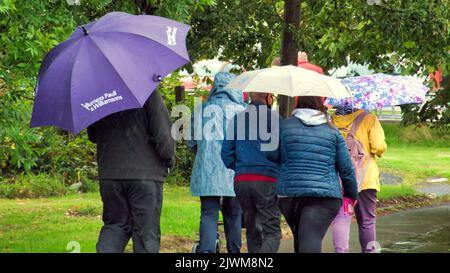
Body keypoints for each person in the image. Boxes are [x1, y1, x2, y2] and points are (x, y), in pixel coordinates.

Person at [87, 91, 175, 253]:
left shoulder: (99, 95)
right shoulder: (147, 93)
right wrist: (168, 160)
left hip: (110, 174)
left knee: (115, 226)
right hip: (145, 174)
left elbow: (93, 135)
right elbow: (164, 135)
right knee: (145, 233)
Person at [277, 96, 358, 253]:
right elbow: (346, 169)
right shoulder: (333, 132)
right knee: (309, 237)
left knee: (303, 238)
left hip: (290, 195)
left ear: (297, 103)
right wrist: (352, 194)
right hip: (325, 196)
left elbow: (272, 156)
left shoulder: (284, 127)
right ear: (321, 105)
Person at [187, 72, 245, 253]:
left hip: (207, 172)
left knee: (208, 213)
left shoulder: (202, 111)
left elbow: (190, 142)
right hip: (234, 173)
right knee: (234, 214)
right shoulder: (242, 112)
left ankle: (206, 252)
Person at [221, 92, 281, 253]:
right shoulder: (276, 119)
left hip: (242, 180)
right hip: (267, 179)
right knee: (272, 232)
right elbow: (283, 152)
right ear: (269, 97)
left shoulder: (237, 119)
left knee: (252, 230)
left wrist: (241, 167)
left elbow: (226, 153)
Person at [331, 104, 387, 253]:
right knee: (367, 221)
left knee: (341, 219)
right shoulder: (369, 118)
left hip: (339, 179)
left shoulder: (331, 120)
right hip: (365, 178)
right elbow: (378, 146)